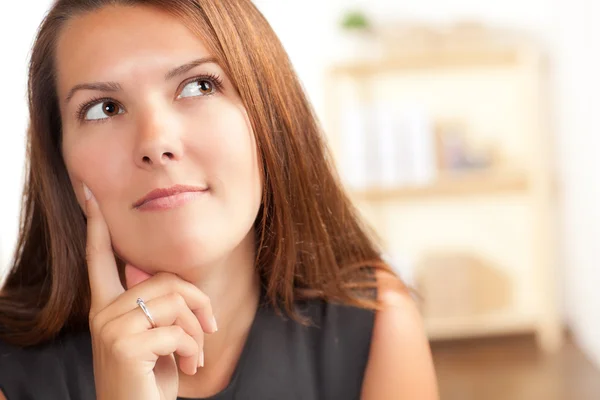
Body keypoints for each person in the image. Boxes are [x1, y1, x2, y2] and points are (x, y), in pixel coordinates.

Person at [0, 0, 438, 399]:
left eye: (199, 86)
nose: (157, 141)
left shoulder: (376, 323)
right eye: (104, 108)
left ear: (270, 115)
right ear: (60, 161)